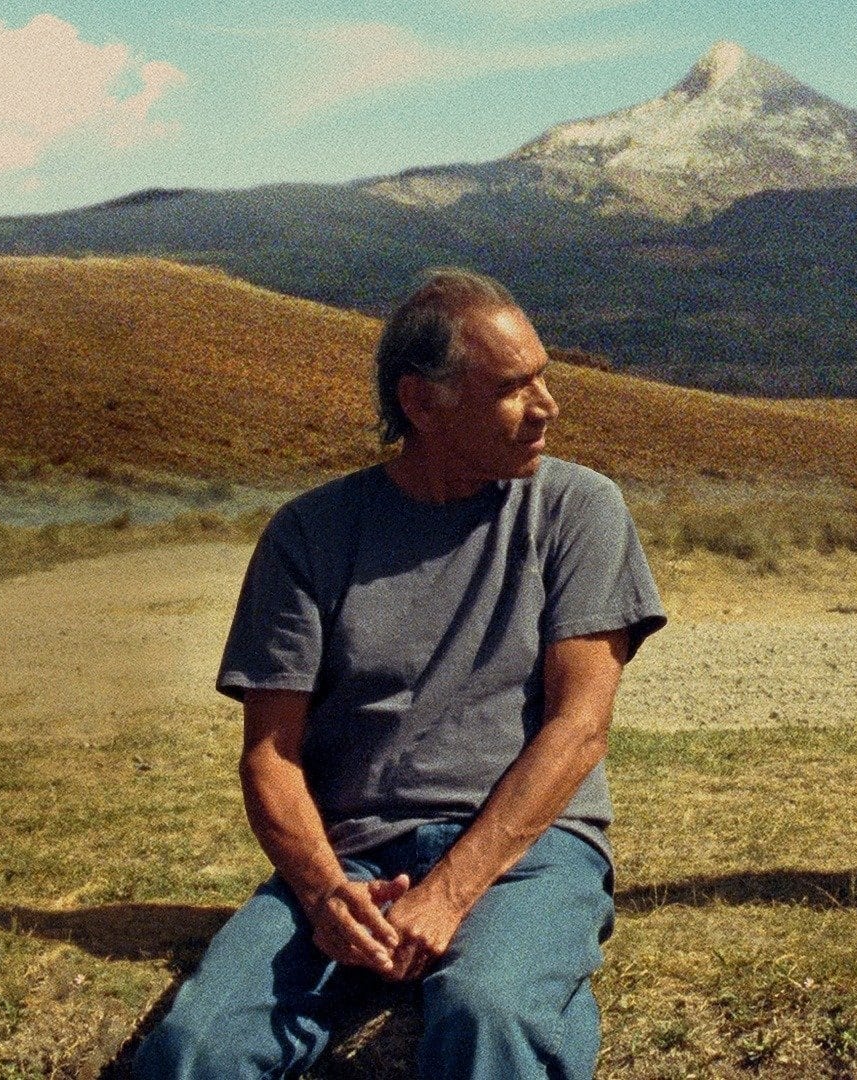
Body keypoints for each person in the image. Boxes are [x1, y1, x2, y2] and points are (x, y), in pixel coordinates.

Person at [133, 268, 666, 1079]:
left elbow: (579, 729)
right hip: (352, 860)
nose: (547, 405)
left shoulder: (579, 509)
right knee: (197, 1048)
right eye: (512, 387)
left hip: (530, 854)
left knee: (491, 1012)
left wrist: (448, 894)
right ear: (421, 402)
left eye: (542, 377)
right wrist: (323, 895)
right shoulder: (309, 535)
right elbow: (270, 756)